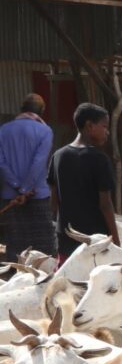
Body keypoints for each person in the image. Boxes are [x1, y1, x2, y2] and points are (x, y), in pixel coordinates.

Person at [48, 103, 119, 257]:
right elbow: (105, 205)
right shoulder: (100, 160)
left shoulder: (58, 156)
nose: (107, 132)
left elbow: (54, 204)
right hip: (94, 242)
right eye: (104, 126)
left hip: (65, 241)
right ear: (89, 126)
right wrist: (116, 240)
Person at [0, 93, 55, 260]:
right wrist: (25, 189)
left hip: (11, 196)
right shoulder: (45, 131)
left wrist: (17, 187)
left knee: (15, 243)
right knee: (43, 246)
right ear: (42, 111)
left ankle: (14, 282)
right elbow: (39, 163)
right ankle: (41, 282)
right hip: (37, 195)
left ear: (22, 109)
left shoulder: (3, 130)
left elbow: (1, 162)